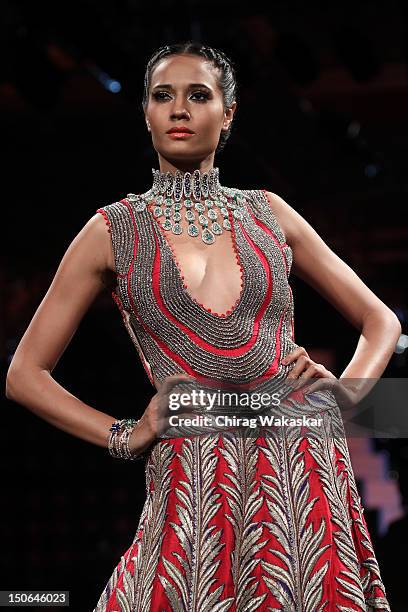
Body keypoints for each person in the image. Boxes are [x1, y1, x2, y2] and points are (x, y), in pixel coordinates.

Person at [5, 41, 400, 611]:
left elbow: (380, 319)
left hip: (303, 459)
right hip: (193, 470)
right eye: (162, 96)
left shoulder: (269, 211)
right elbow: (24, 374)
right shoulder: (112, 231)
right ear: (145, 113)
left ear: (229, 113)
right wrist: (126, 434)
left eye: (198, 95)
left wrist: (348, 397)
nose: (179, 110)